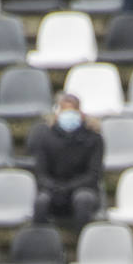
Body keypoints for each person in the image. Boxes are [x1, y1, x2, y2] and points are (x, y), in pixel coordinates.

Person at [30, 94, 103, 229]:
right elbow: (41, 174)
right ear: (57, 114)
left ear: (80, 113)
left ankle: (82, 242)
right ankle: (42, 242)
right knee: (41, 201)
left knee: (83, 199)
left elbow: (93, 175)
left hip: (83, 189)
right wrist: (55, 187)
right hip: (53, 190)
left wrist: (69, 187)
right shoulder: (45, 138)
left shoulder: (94, 139)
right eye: (64, 110)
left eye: (73, 111)